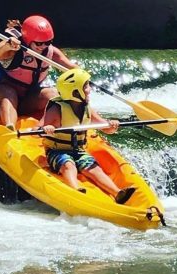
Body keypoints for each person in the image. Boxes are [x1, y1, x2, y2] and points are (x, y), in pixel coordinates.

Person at [41, 69, 136, 204]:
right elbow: (42, 129)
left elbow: (105, 127)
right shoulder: (56, 109)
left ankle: (117, 193)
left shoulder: (86, 108)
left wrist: (112, 126)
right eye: (85, 86)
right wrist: (47, 128)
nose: (89, 89)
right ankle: (75, 189)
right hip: (57, 151)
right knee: (68, 165)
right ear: (75, 92)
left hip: (79, 151)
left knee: (94, 168)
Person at [0, 16, 78, 130]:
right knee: (8, 93)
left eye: (48, 42)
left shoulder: (50, 52)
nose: (43, 46)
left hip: (27, 99)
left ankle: (62, 126)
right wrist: (5, 47)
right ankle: (9, 128)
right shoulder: (13, 49)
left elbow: (73, 68)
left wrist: (83, 78)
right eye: (39, 43)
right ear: (28, 40)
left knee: (52, 93)